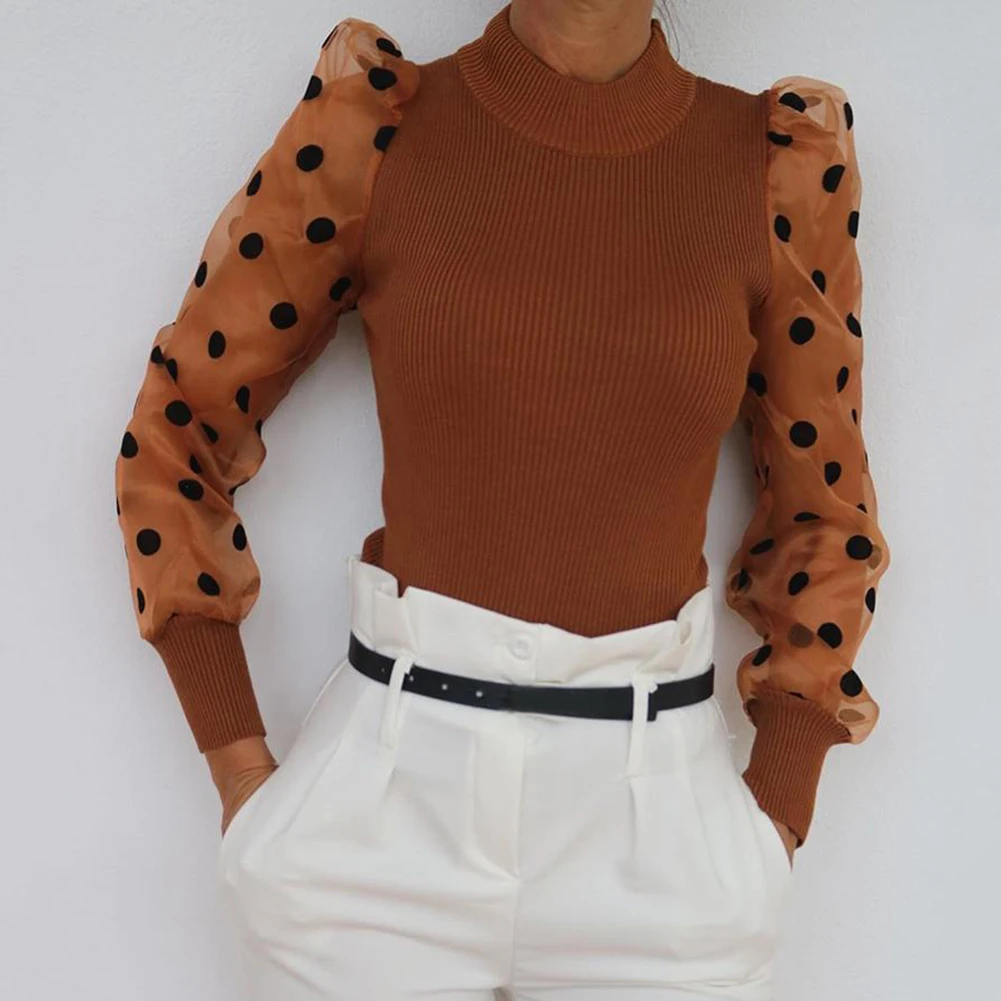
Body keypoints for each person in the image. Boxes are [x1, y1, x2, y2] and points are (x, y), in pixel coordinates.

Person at [113, 1, 890, 997]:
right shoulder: (377, 128)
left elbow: (824, 509)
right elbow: (178, 419)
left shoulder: (771, 167)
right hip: (377, 823)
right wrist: (238, 770)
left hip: (659, 844)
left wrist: (774, 812)